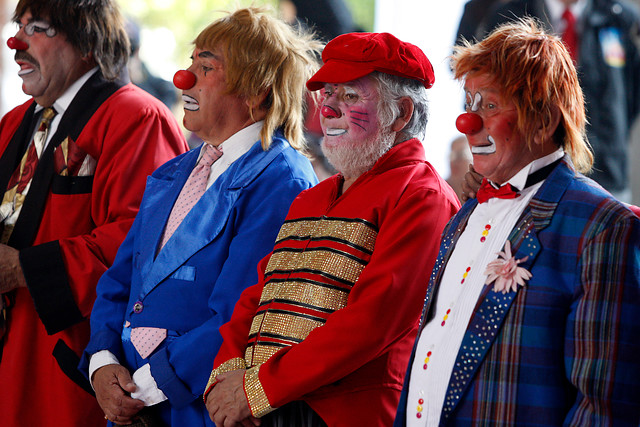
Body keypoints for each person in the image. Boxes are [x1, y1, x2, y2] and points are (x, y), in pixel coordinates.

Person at [204, 31, 461, 427]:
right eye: (327, 95)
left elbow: (370, 323)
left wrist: (256, 391)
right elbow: (259, 294)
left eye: (351, 97)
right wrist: (227, 373)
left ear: (402, 113)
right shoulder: (313, 196)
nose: (328, 110)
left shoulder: (423, 195)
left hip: (341, 414)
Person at [80, 7, 320, 426]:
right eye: (191, 62)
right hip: (130, 403)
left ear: (258, 92)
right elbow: (119, 282)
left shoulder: (281, 179)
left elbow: (240, 311)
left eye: (206, 67)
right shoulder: (174, 172)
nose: (183, 78)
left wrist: (145, 387)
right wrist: (102, 361)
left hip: (193, 408)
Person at [395, 18, 640, 426]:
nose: (468, 123)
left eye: (489, 106)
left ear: (544, 121)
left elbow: (604, 406)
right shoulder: (465, 215)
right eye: (469, 104)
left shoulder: (602, 227)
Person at [0, 0, 188, 425]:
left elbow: (143, 246)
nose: (16, 44)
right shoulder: (14, 122)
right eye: (19, 27)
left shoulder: (137, 118)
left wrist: (22, 268)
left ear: (87, 41)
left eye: (38, 28)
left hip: (69, 370)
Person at [480, 0, 640, 202]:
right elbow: (486, 96)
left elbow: (631, 96)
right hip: (526, 178)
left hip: (607, 172)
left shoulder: (619, 16)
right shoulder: (509, 15)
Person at [446, 136, 473, 203]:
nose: (455, 162)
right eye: (452, 156)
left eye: (460, 155)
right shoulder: (442, 190)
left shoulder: (483, 191)